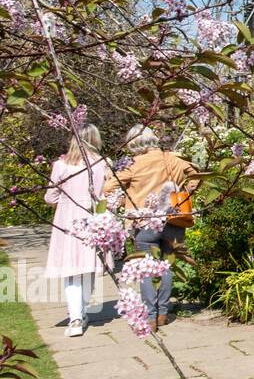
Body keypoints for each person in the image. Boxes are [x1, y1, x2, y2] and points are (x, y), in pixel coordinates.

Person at [102, 125, 198, 332]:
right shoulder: (171, 158)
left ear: (134, 143)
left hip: (144, 222)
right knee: (166, 266)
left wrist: (126, 194)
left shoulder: (133, 164)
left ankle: (151, 317)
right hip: (173, 220)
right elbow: (197, 174)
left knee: (146, 270)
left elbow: (108, 188)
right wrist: (187, 190)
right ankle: (163, 313)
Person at [44, 124, 108, 338]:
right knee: (88, 266)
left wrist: (65, 201)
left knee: (71, 270)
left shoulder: (61, 165)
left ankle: (76, 318)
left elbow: (50, 197)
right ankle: (80, 311)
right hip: (92, 217)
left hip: (68, 219)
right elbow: (104, 195)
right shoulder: (101, 164)